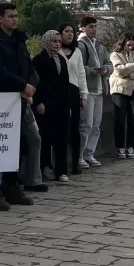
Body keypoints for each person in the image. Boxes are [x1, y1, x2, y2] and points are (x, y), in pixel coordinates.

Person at [0, 2, 41, 202]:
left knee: (17, 143)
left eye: (15, 16)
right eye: (10, 16)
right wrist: (23, 85)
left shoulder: (19, 40)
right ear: (0, 18)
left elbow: (29, 67)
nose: (14, 19)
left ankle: (11, 186)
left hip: (18, 101)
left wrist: (29, 84)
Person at [32, 30, 73, 183]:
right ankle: (45, 167)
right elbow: (38, 83)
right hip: (46, 104)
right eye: (54, 41)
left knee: (61, 138)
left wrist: (67, 105)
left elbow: (65, 84)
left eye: (58, 42)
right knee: (46, 137)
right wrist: (39, 101)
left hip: (61, 104)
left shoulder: (61, 60)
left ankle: (61, 170)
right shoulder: (39, 60)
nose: (57, 45)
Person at [76, 17, 110, 168]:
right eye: (91, 26)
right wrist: (91, 71)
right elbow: (78, 67)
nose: (94, 29)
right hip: (88, 90)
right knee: (86, 125)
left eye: (95, 26)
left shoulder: (99, 45)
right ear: (83, 28)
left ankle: (90, 153)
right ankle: (80, 155)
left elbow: (109, 63)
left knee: (96, 124)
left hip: (99, 89)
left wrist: (106, 69)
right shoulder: (80, 45)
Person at [108, 34, 134, 159]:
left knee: (133, 121)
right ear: (122, 43)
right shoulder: (115, 55)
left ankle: (131, 146)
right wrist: (133, 66)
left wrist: (127, 72)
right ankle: (120, 147)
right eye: (127, 45)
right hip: (120, 91)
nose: (130, 47)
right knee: (120, 121)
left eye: (132, 45)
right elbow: (119, 71)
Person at [57, 25, 87, 175]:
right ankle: (60, 166)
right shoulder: (55, 51)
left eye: (71, 32)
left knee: (75, 129)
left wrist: (84, 95)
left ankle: (76, 162)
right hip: (59, 92)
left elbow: (81, 74)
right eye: (66, 31)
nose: (69, 34)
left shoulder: (77, 52)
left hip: (74, 91)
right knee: (61, 129)